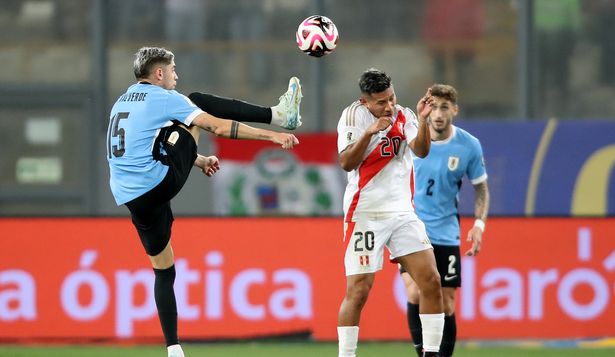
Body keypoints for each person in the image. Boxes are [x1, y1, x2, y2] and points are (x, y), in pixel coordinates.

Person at [106, 46, 300, 357]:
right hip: (158, 182)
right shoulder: (163, 97)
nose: (175, 76)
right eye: (172, 71)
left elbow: (146, 145)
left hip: (134, 197)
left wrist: (196, 160)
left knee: (163, 271)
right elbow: (218, 126)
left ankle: (173, 348)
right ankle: (279, 114)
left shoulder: (123, 101)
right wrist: (272, 135)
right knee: (197, 101)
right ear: (159, 74)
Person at [336, 68, 444, 357]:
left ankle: (431, 353)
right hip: (366, 213)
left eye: (391, 98)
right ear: (365, 102)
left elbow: (421, 151)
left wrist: (422, 121)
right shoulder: (353, 117)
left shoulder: (404, 114)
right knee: (359, 290)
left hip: (402, 213)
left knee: (432, 281)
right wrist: (370, 133)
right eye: (381, 102)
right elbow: (346, 163)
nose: (388, 106)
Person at [400, 84, 490, 357]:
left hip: (447, 231)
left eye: (444, 107)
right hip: (412, 229)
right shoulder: (413, 139)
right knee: (415, 293)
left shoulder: (468, 145)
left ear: (454, 110)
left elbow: (481, 188)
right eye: (434, 106)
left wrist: (478, 224)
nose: (438, 114)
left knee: (446, 302)